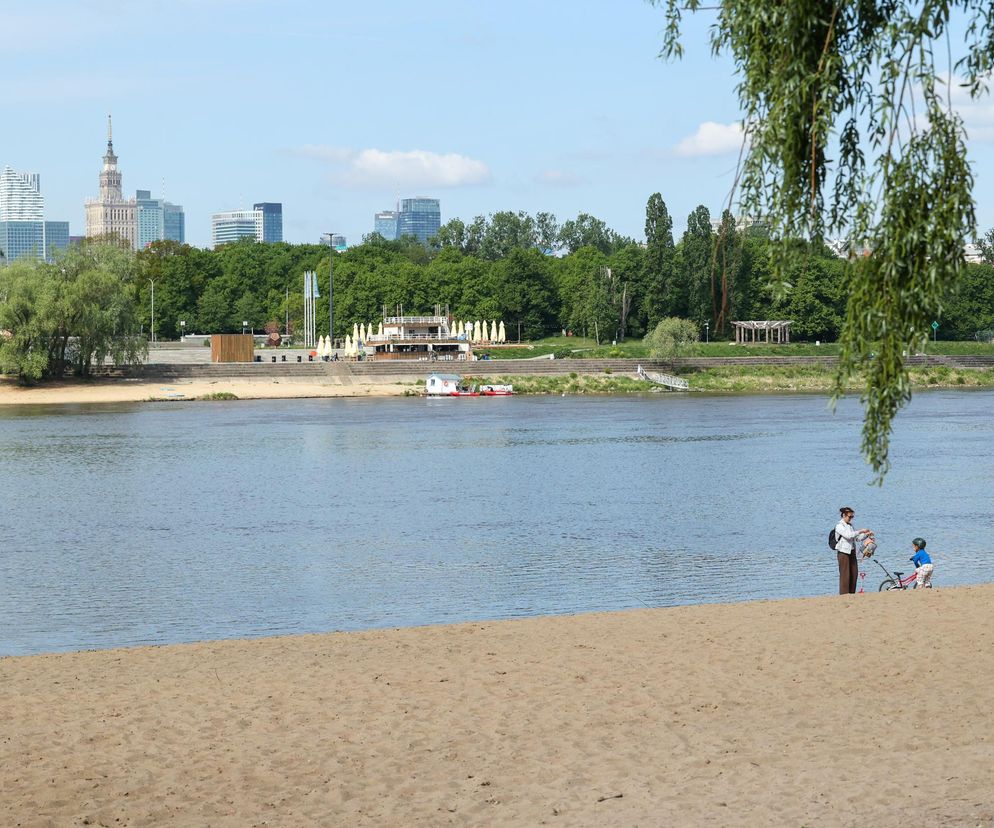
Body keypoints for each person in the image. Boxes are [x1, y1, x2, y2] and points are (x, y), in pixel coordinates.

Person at [834, 506, 873, 595]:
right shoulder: (839, 526)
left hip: (851, 552)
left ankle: (852, 593)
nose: (851, 519)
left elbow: (857, 538)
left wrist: (866, 534)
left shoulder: (850, 526)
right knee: (845, 575)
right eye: (849, 517)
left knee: (854, 573)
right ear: (844, 515)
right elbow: (848, 535)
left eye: (852, 517)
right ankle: (844, 594)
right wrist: (860, 531)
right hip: (843, 553)